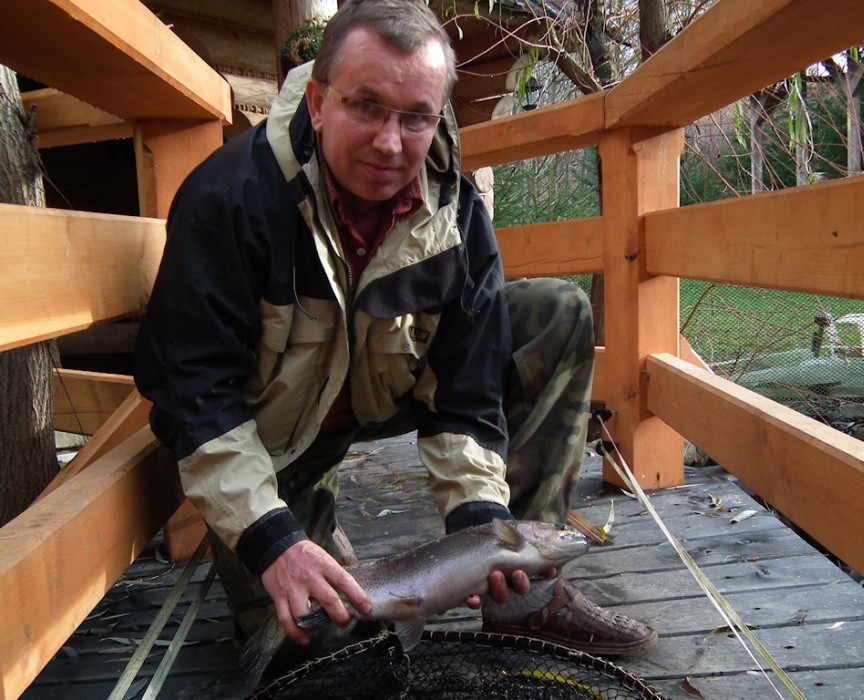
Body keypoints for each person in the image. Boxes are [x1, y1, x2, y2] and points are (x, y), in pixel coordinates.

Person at [134, 0, 656, 664]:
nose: (390, 143)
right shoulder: (229, 199)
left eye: (415, 118)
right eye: (366, 107)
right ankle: (309, 525)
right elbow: (192, 392)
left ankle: (524, 597)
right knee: (318, 647)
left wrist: (480, 525)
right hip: (272, 443)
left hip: (384, 393)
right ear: (317, 102)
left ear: (438, 118)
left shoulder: (457, 217)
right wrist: (273, 540)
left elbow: (468, 395)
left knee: (554, 310)